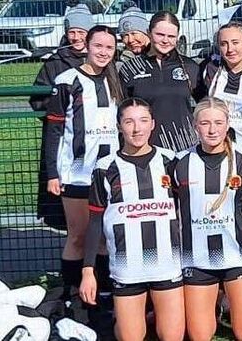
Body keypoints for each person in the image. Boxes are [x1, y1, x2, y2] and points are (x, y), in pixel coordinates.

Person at [80, 98, 184, 341]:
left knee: (172, 336)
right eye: (129, 122)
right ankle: (124, 318)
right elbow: (94, 222)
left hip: (166, 265)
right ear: (119, 126)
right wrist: (88, 271)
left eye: (143, 121)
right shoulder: (105, 168)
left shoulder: (171, 161)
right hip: (127, 269)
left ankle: (149, 316)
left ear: (153, 124)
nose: (137, 129)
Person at [42, 25, 123, 305]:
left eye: (109, 47)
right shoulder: (67, 80)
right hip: (76, 174)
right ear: (87, 46)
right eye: (98, 46)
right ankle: (72, 294)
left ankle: (103, 293)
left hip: (108, 173)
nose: (103, 52)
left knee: (104, 236)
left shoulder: (116, 80)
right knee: (78, 235)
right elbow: (53, 131)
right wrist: (52, 173)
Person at [173, 98, 242, 341]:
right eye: (205, 123)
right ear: (195, 126)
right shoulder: (179, 162)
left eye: (218, 122)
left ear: (227, 124)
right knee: (199, 335)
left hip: (239, 255)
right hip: (197, 257)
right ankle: (216, 306)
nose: (212, 130)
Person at [31, 0, 92, 232]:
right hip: (65, 138)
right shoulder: (55, 62)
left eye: (81, 32)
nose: (76, 37)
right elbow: (38, 98)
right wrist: (62, 111)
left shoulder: (102, 57)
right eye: (72, 32)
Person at [119, 11, 201, 152]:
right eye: (160, 35)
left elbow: (205, 105)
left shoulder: (189, 66)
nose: (165, 40)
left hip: (186, 148)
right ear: (149, 33)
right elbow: (122, 112)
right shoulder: (130, 69)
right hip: (147, 150)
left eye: (171, 36)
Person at [195, 22, 242, 153]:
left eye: (235, 42)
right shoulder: (209, 68)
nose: (230, 49)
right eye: (224, 44)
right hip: (217, 146)